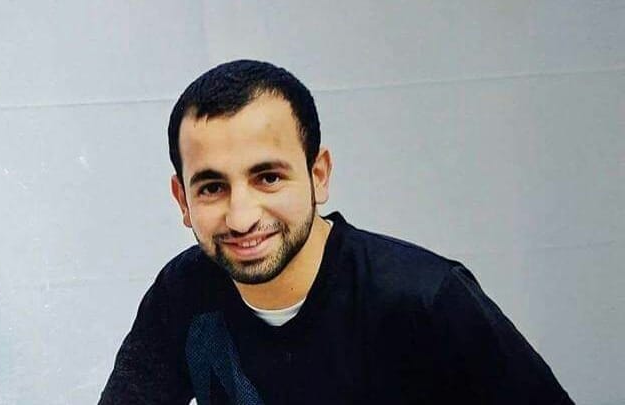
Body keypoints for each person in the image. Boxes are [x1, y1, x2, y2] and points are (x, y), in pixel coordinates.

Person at [99, 60, 573, 404]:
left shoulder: (422, 298)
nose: (241, 217)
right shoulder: (183, 294)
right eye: (212, 188)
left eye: (268, 178)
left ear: (318, 175)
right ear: (183, 200)